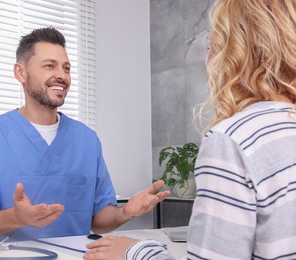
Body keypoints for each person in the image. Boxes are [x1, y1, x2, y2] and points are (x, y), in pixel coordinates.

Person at [84, 0, 296, 259]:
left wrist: (135, 251)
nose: (207, 58)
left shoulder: (233, 141)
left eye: (211, 45)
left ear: (238, 51)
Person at [0, 27, 169, 247]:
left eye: (66, 68)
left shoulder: (87, 140)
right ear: (21, 73)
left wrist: (125, 212)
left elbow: (99, 220)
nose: (61, 75)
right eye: (49, 66)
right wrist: (15, 217)